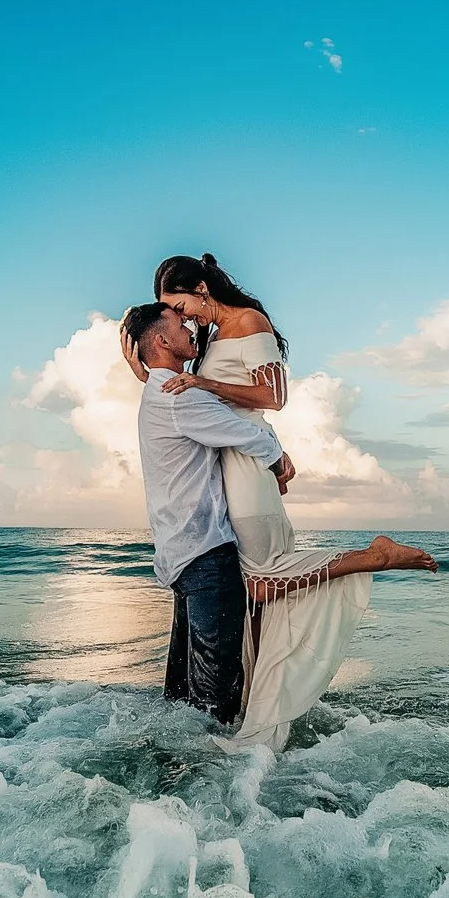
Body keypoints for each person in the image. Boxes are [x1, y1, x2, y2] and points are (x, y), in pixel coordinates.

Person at [130, 253, 437, 748]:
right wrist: (153, 370)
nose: (183, 317)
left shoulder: (249, 323)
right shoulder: (202, 345)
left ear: (202, 289)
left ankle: (371, 557)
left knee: (258, 578)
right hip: (230, 466)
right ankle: (246, 703)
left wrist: (199, 381)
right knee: (247, 589)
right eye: (174, 315)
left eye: (180, 305)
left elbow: (272, 397)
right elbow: (184, 402)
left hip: (248, 465)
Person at [122, 300, 296, 728]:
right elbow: (245, 433)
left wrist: (146, 372)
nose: (190, 330)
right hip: (207, 559)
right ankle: (212, 780)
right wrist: (280, 460)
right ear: (162, 340)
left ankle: (167, 780)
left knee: (181, 695)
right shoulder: (180, 397)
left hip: (180, 557)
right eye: (180, 325)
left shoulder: (155, 393)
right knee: (215, 699)